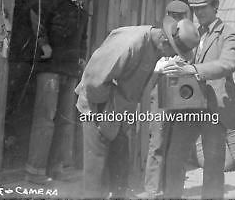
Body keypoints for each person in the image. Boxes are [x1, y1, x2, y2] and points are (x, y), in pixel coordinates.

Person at [75, 15, 200, 198]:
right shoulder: (130, 44)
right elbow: (94, 82)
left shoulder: (154, 46)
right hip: (97, 109)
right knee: (96, 172)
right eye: (172, 51)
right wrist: (105, 114)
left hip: (119, 112)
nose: (171, 56)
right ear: (165, 40)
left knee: (120, 169)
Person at [162, 0, 235, 199]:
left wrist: (193, 70)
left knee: (214, 163)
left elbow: (227, 64)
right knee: (175, 155)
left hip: (215, 107)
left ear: (216, 6)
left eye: (203, 8)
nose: (199, 14)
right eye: (195, 10)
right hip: (190, 105)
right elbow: (187, 59)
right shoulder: (196, 33)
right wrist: (177, 64)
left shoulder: (229, 34)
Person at [25, 0, 95, 184]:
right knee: (46, 119)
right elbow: (35, 14)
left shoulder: (83, 11)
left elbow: (83, 38)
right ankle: (34, 171)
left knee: (65, 121)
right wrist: (44, 43)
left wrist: (82, 57)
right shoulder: (57, 1)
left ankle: (56, 169)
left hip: (70, 70)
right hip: (51, 68)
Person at [142, 0, 191, 198]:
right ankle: (152, 190)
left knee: (175, 144)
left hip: (182, 95)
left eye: (181, 17)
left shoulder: (189, 37)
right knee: (158, 142)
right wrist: (159, 68)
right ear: (167, 16)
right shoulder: (158, 35)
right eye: (173, 16)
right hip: (161, 92)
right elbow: (149, 72)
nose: (177, 20)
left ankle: (170, 189)